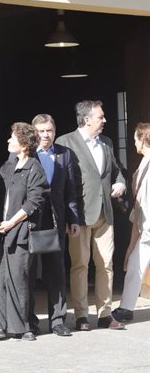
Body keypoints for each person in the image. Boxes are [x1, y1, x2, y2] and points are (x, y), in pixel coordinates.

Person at [56, 100, 126, 330]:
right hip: (80, 215)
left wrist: (120, 184)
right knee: (80, 265)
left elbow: (116, 171)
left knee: (106, 265)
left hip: (105, 214)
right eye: (100, 117)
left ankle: (105, 314)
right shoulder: (65, 142)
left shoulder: (106, 143)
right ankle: (81, 315)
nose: (104, 120)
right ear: (86, 119)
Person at [0, 123, 47, 341]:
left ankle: (23, 326)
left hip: (19, 232)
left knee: (19, 279)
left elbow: (34, 202)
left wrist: (11, 222)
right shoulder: (6, 167)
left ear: (23, 143)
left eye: (12, 138)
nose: (8, 141)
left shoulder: (34, 169)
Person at [28, 114, 81, 337]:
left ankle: (58, 320)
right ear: (34, 133)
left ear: (55, 130)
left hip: (56, 219)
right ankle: (29, 322)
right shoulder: (27, 154)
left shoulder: (64, 154)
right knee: (29, 270)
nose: (45, 135)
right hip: (31, 220)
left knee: (56, 271)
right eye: (40, 131)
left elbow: (70, 190)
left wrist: (73, 218)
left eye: (49, 130)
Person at [113, 123, 150, 323]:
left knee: (135, 264)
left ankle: (126, 308)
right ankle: (126, 307)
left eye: (136, 138)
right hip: (144, 226)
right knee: (135, 264)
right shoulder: (144, 163)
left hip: (148, 226)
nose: (134, 142)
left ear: (143, 139)